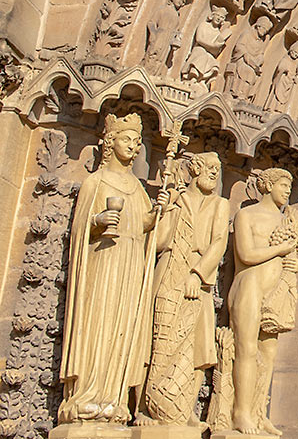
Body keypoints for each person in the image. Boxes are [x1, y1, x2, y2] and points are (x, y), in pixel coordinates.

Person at [59, 114, 166, 424]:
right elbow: (81, 229)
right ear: (109, 143)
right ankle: (87, 394)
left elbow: (147, 230)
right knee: (99, 325)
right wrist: (97, 222)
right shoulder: (96, 182)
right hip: (102, 266)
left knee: (123, 328)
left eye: (136, 141)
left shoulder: (137, 188)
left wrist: (155, 214)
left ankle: (115, 397)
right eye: (126, 139)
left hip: (130, 267)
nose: (132, 146)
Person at [141, 152, 230, 426]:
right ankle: (144, 408)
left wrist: (198, 273)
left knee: (199, 346)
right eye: (209, 168)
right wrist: (164, 210)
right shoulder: (177, 199)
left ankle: (185, 409)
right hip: (169, 269)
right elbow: (158, 242)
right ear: (194, 169)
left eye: (217, 169)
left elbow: (219, 243)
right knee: (154, 337)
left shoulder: (220, 204)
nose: (214, 173)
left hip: (197, 276)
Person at [228, 168, 298, 435]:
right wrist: (281, 250)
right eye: (283, 184)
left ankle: (259, 411)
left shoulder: (289, 222)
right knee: (246, 349)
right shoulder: (246, 215)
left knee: (268, 355)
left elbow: (289, 260)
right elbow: (246, 253)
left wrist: (291, 261)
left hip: (276, 292)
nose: (287, 190)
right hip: (249, 286)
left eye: (290, 186)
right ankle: (240, 413)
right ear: (268, 185)